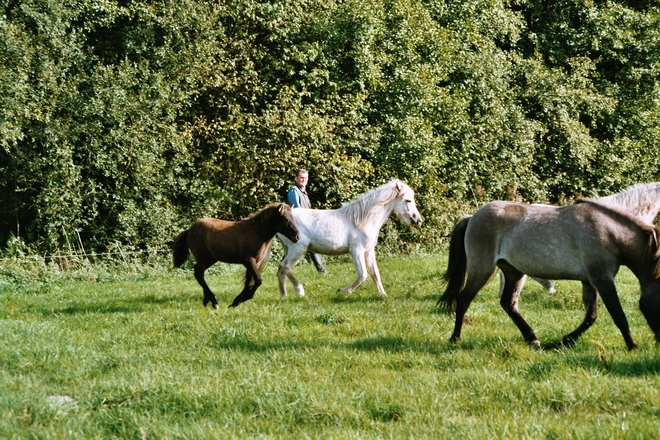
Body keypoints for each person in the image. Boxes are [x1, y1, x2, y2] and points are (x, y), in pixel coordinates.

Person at [286, 169, 328, 274]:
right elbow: (297, 211)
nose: (303, 180)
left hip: (307, 225)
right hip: (300, 225)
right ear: (296, 178)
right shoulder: (294, 191)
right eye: (301, 178)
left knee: (311, 247)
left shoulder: (303, 191)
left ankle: (321, 270)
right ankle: (284, 268)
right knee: (296, 249)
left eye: (305, 178)